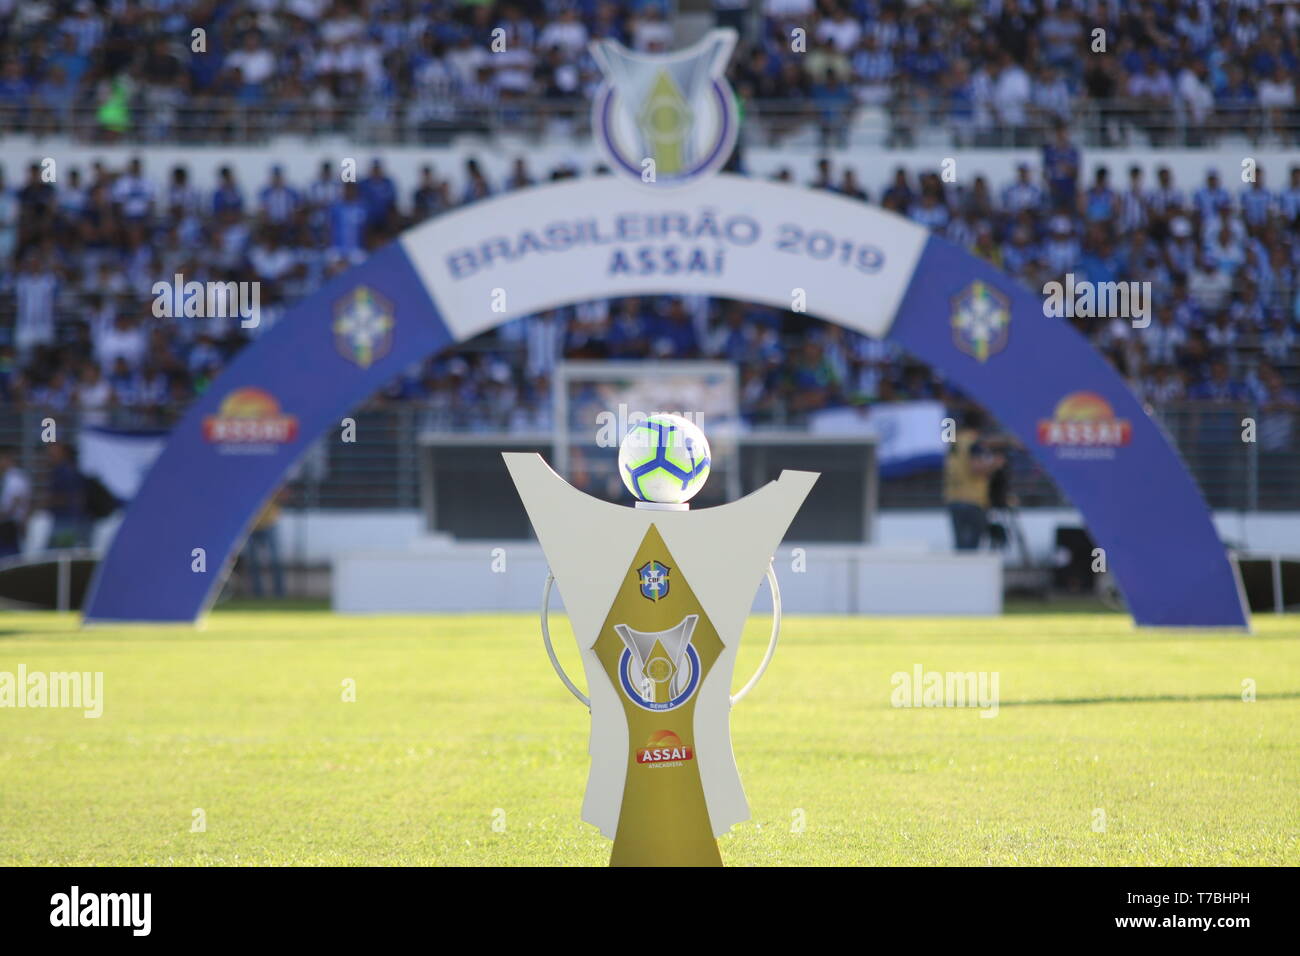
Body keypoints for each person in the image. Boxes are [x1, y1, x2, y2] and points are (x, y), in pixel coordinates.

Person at [944, 410, 1004, 551]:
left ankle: (960, 572)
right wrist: (995, 464)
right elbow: (975, 468)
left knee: (960, 546)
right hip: (973, 500)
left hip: (953, 498)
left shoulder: (954, 441)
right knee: (971, 548)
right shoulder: (974, 443)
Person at [45, 443, 89, 548]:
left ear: (63, 453)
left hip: (67, 520)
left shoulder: (66, 471)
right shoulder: (62, 470)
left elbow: (74, 496)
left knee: (60, 553)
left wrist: (49, 501)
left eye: (53, 453)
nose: (49, 456)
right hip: (65, 519)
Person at [245, 493, 285, 598]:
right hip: (252, 526)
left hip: (269, 523)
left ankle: (279, 593)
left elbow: (284, 496)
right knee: (253, 563)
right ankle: (258, 593)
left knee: (275, 561)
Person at [0, 447, 32, 559]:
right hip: (8, 524)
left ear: (7, 459)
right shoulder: (7, 478)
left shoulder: (16, 478)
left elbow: (14, 504)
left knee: (10, 558)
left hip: (11, 525)